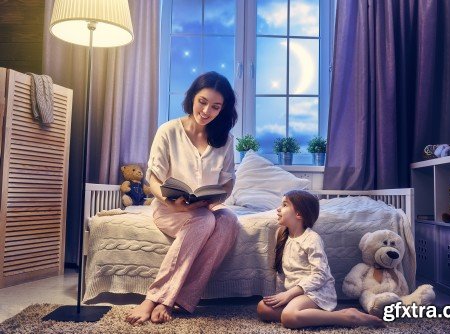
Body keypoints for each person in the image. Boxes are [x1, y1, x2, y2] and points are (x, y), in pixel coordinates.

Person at [125, 71, 239, 325]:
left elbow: (229, 180)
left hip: (204, 208)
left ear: (223, 109)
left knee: (229, 221)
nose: (207, 110)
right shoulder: (168, 131)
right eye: (202, 101)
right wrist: (169, 202)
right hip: (169, 208)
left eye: (216, 106)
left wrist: (216, 199)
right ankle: (157, 298)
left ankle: (182, 297)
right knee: (204, 221)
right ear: (192, 98)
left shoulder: (226, 140)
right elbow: (153, 179)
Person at [256, 190, 385, 329]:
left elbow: (320, 275)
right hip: (295, 294)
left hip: (316, 292)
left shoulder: (312, 239)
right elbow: (282, 274)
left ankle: (346, 316)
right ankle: (305, 314)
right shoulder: (282, 234)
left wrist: (289, 294)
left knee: (288, 318)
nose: (278, 209)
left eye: (285, 205)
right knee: (263, 308)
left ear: (299, 214)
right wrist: (281, 295)